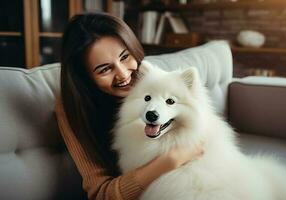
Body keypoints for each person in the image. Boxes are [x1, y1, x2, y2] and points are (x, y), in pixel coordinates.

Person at [55, 12, 204, 200]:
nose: (124, 74)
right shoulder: (73, 109)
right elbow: (101, 194)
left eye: (125, 57)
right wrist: (170, 160)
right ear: (85, 78)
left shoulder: (155, 77)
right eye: (105, 69)